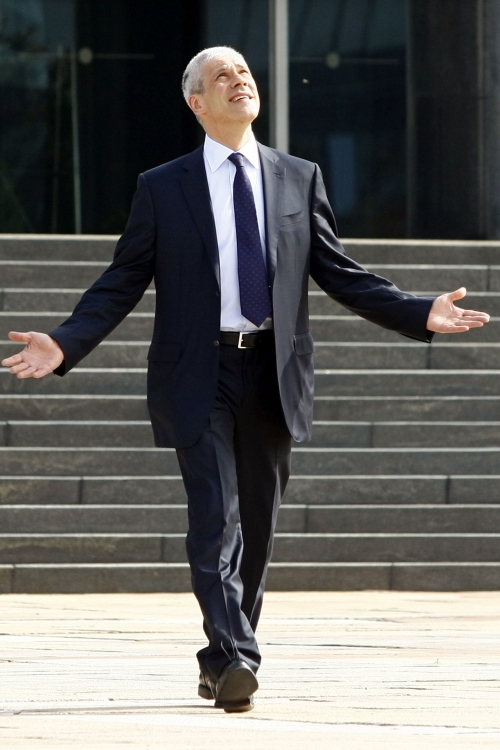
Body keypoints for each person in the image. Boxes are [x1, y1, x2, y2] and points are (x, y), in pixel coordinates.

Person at [1, 46, 490, 713]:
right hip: (198, 372)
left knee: (255, 527)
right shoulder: (163, 186)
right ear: (196, 102)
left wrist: (417, 311)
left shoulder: (298, 177)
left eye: (245, 73)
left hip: (272, 370)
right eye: (222, 76)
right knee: (217, 517)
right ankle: (237, 657)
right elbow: (122, 280)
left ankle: (220, 659)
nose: (240, 81)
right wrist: (65, 340)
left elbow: (339, 271)